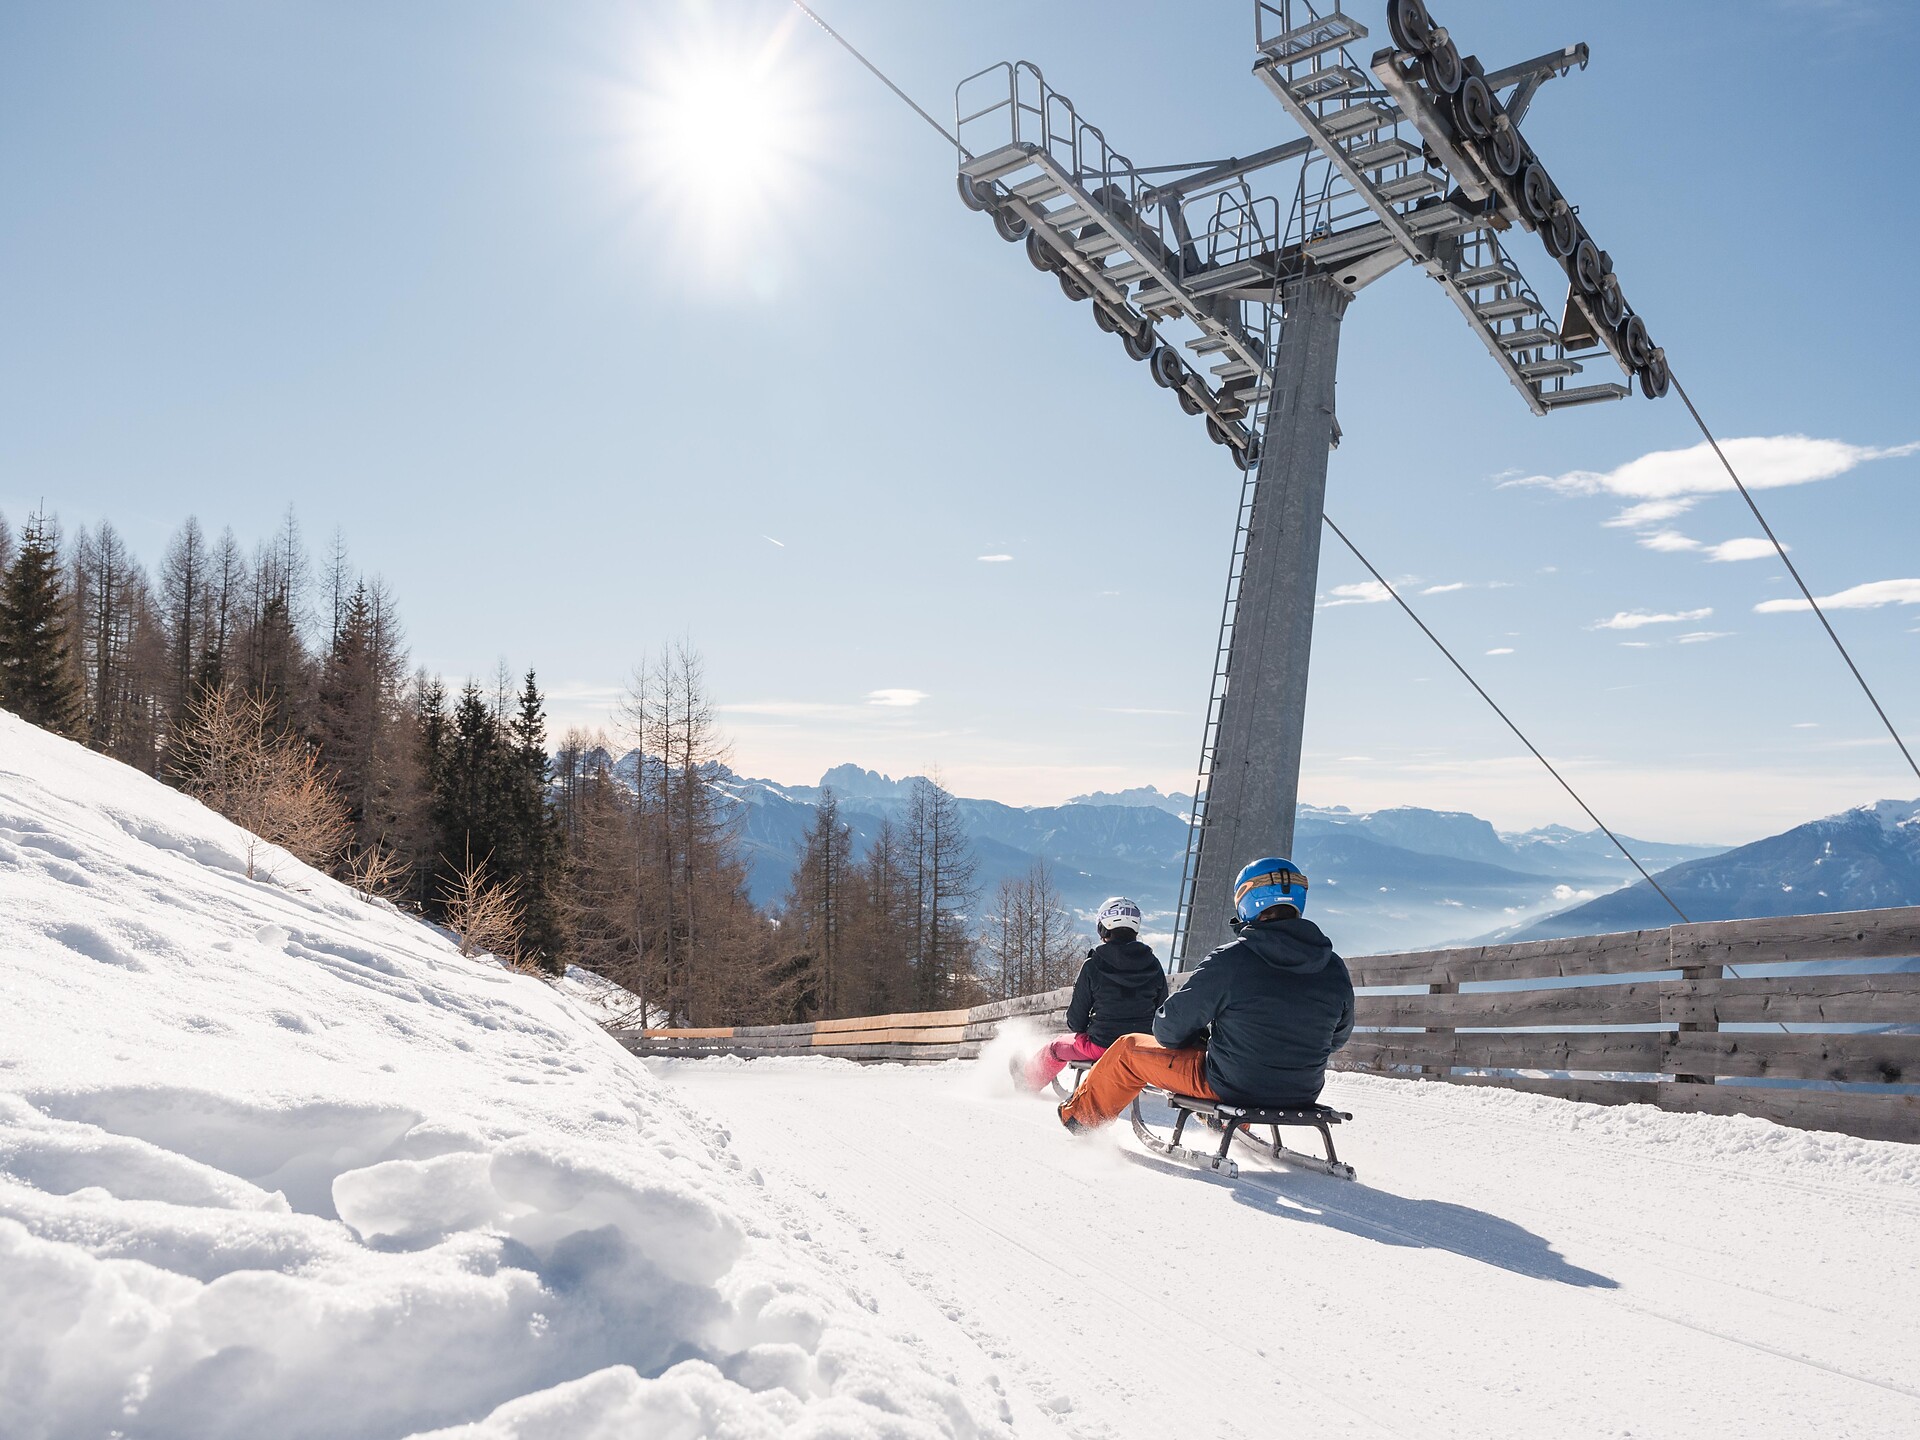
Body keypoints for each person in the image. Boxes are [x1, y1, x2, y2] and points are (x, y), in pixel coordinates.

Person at [1056, 856, 1354, 1132]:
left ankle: (1079, 1119)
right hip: (1304, 1089)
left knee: (1126, 1049)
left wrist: (1202, 1039)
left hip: (1231, 1086)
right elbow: (1336, 1039)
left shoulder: (1232, 960)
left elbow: (1168, 1029)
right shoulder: (1334, 967)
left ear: (1248, 901)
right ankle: (1222, 1122)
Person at [1011, 896, 1169, 1094]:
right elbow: (1162, 1010)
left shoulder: (1093, 965)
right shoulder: (1154, 965)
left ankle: (1027, 1082)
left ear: (1104, 927)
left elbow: (1075, 1022)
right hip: (1140, 1048)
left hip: (1102, 1045)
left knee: (1056, 1046)